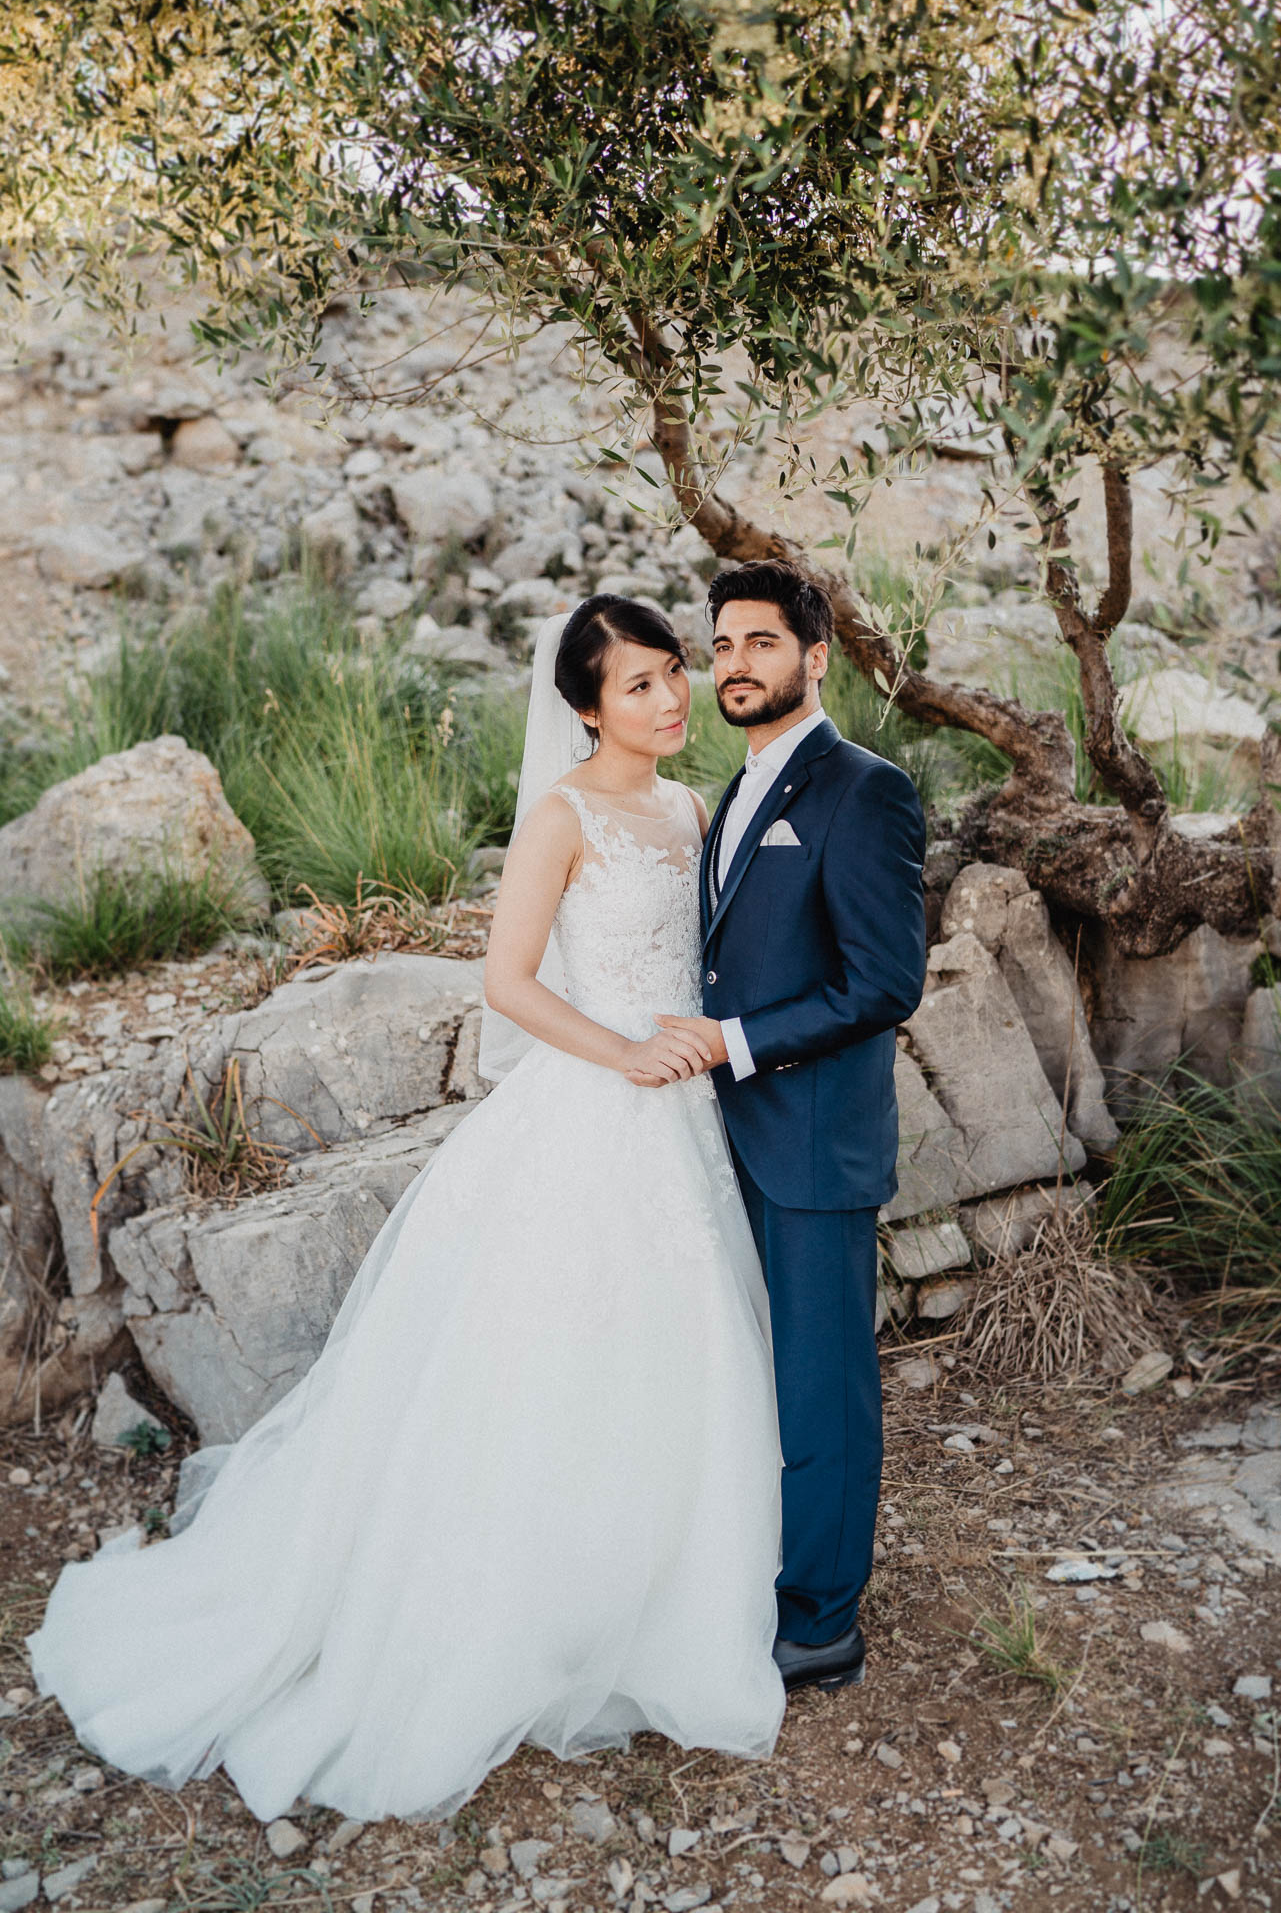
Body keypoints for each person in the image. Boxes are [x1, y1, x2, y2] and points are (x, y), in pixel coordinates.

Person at [24, 596, 787, 1826]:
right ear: (585, 707)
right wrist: (620, 1051)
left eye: (671, 676)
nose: (668, 699)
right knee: (552, 1352)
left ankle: (662, 1593)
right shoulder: (563, 816)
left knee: (678, 1344)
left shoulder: (690, 807)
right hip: (599, 1103)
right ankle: (522, 1608)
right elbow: (506, 981)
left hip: (684, 1112)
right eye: (637, 685)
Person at [657, 559, 928, 1694]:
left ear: (816, 658)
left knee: (823, 1387)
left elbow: (885, 983)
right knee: (748, 1373)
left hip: (813, 1140)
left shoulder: (864, 789)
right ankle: (747, 1571)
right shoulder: (737, 791)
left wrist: (736, 1042)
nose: (735, 665)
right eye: (721, 646)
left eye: (760, 643)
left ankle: (819, 1621)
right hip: (722, 1136)